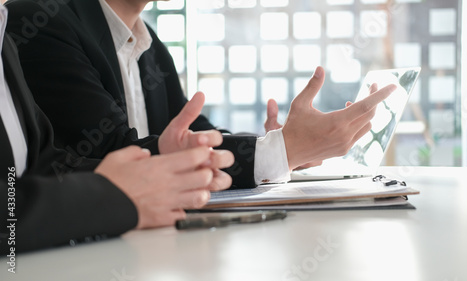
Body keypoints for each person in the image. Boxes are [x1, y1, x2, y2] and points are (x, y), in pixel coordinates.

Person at [5, 0, 396, 188]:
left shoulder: (148, 42)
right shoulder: (43, 21)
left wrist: (279, 145)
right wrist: (279, 153)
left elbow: (193, 133)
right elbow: (109, 151)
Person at [0, 3, 234, 254]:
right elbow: (107, 146)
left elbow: (43, 162)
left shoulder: (151, 45)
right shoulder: (38, 19)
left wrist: (164, 153)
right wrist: (110, 195)